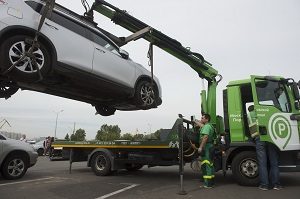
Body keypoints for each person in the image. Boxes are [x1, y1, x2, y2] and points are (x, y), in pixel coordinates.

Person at [248, 105, 283, 191]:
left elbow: (251, 127)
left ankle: (264, 185)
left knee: (262, 163)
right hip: (270, 138)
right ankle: (276, 184)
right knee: (274, 162)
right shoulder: (264, 111)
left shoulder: (249, 115)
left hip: (259, 138)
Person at [198, 113, 215, 188]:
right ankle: (211, 183)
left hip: (206, 147)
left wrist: (201, 147)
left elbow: (205, 137)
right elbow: (202, 126)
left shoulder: (207, 127)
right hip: (209, 146)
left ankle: (208, 184)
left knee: (206, 165)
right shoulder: (209, 126)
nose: (201, 119)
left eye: (202, 118)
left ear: (207, 119)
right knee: (210, 165)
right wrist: (196, 121)